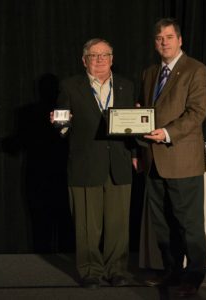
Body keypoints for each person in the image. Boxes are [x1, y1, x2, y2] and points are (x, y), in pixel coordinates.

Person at [50, 38, 137, 289]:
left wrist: (136, 151)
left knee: (118, 224)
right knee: (87, 224)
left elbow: (134, 122)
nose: (99, 60)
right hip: (84, 164)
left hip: (119, 163)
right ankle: (90, 271)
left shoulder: (125, 86)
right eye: (93, 56)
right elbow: (62, 124)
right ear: (84, 60)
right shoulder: (70, 86)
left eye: (104, 55)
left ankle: (117, 270)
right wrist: (61, 125)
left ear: (112, 59)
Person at [139, 18, 206, 297]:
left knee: (189, 223)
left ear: (180, 40)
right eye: (159, 38)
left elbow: (197, 113)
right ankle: (172, 270)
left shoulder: (196, 70)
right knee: (162, 222)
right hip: (153, 160)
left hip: (182, 159)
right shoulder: (149, 73)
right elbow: (144, 112)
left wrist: (168, 133)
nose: (164, 42)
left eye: (169, 37)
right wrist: (138, 146)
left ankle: (193, 277)